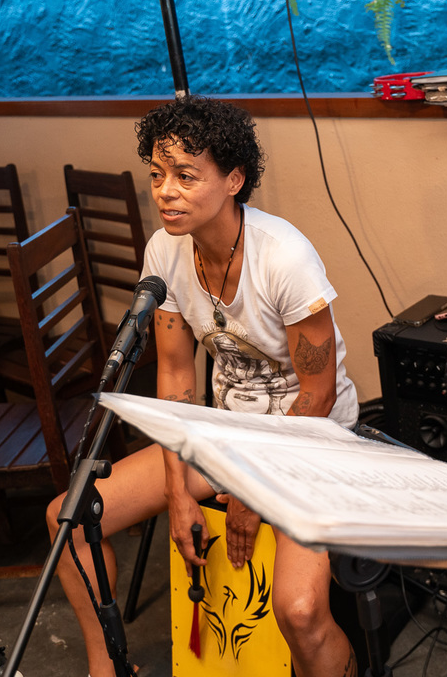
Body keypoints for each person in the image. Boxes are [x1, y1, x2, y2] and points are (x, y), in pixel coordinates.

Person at [47, 96, 360, 677]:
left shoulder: (285, 258)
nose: (166, 191)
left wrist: (251, 491)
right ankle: (105, 669)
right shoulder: (164, 250)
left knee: (299, 609)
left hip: (308, 443)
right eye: (157, 175)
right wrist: (179, 489)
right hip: (226, 436)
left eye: (186, 176)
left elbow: (316, 394)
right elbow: (175, 375)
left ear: (234, 179)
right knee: (68, 519)